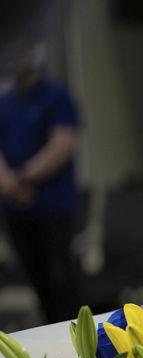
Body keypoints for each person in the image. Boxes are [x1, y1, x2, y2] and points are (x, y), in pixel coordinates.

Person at [0, 41, 80, 324]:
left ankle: (72, 338)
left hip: (52, 208)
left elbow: (62, 145)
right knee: (36, 282)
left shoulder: (56, 97)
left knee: (60, 282)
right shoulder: (6, 101)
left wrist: (23, 177)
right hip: (16, 209)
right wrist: (8, 184)